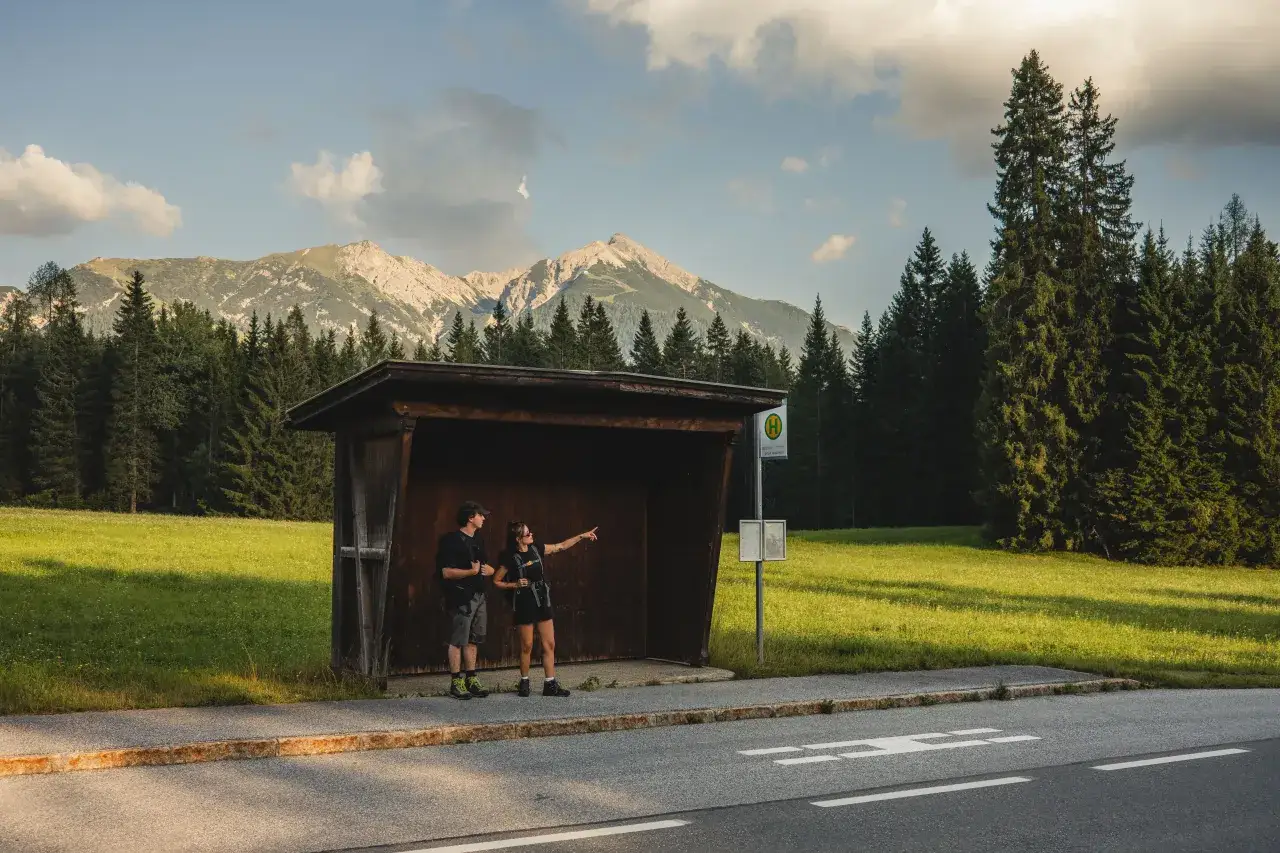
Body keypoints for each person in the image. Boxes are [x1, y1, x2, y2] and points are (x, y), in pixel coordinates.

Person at [494, 520, 598, 697]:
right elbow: (496, 581)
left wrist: (581, 536)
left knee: (549, 644)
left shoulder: (536, 548)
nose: (531, 535)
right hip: (524, 602)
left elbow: (561, 546)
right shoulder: (510, 557)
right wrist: (514, 584)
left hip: (542, 600)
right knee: (527, 645)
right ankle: (524, 681)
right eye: (527, 533)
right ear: (518, 538)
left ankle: (550, 684)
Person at [435, 500, 496, 700]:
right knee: (458, 639)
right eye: (481, 515)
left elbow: (486, 567)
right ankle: (456, 681)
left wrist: (489, 571)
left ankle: (471, 678)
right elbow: (445, 572)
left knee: (473, 639)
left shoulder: (479, 540)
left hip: (479, 595)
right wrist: (470, 571)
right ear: (471, 517)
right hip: (461, 597)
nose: (484, 518)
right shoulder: (451, 541)